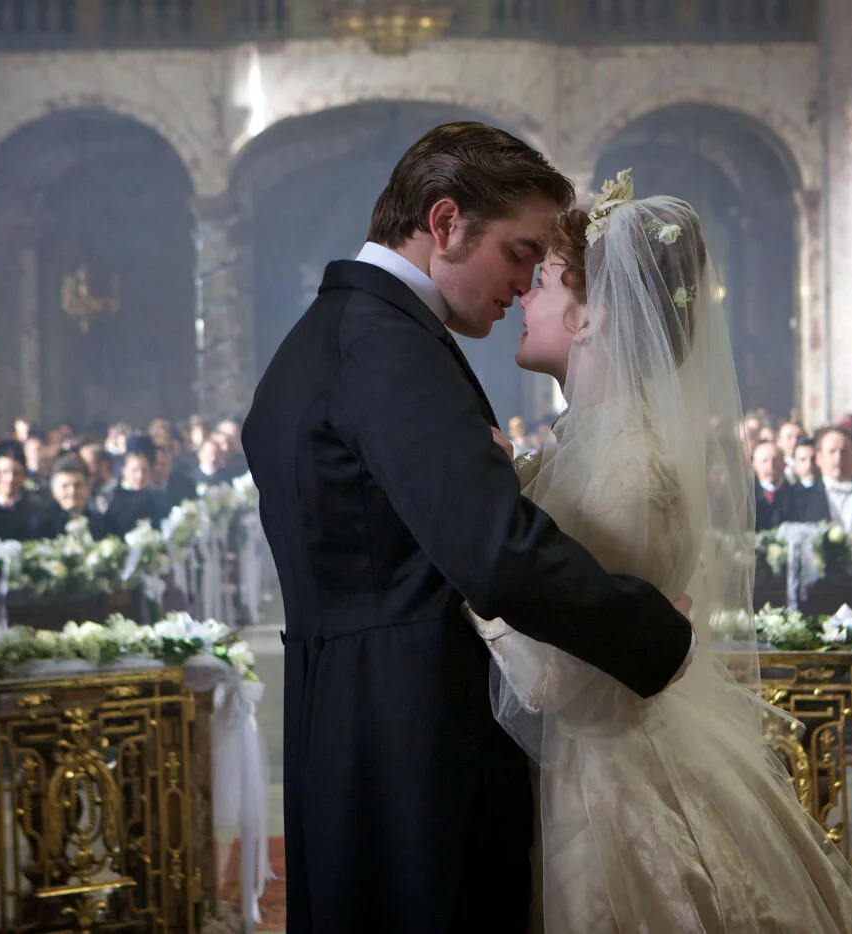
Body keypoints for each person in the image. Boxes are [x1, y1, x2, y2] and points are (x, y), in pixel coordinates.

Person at [240, 126, 695, 934]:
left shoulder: (348, 331)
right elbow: (496, 554)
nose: (525, 282)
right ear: (446, 223)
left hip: (354, 717)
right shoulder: (385, 344)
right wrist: (656, 632)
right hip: (411, 742)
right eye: (521, 252)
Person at [480, 183, 852, 932]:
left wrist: (476, 567)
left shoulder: (630, 465)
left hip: (613, 786)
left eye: (546, 281)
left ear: (591, 316)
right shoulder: (590, 444)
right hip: (592, 763)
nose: (525, 296)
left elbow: (561, 675)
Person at [785, 426, 852, 530]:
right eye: (832, 452)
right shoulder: (799, 500)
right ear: (819, 458)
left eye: (844, 452)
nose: (838, 458)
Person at [104, 436, 170, 533]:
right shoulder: (111, 497)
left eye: (144, 470)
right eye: (134, 470)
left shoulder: (158, 497)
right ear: (124, 471)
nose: (140, 476)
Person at [40, 454, 112, 539]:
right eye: (65, 486)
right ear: (54, 491)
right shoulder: (41, 525)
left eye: (77, 485)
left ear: (88, 488)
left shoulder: (102, 524)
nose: (72, 492)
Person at [750, 438, 786, 530]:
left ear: (783, 463)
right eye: (765, 461)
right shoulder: (748, 497)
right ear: (754, 464)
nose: (771, 466)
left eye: (775, 460)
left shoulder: (796, 496)